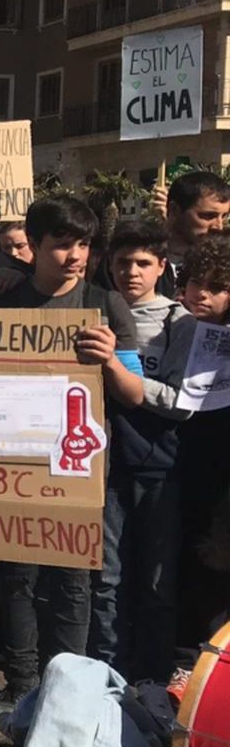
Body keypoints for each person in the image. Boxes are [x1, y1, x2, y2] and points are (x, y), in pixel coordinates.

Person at [0, 195, 145, 724]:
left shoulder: (106, 304)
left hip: (80, 469)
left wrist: (110, 362)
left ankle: (65, 687)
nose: (75, 256)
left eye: (83, 245)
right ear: (34, 247)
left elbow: (135, 393)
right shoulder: (4, 300)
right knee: (19, 581)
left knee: (74, 586)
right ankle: (22, 683)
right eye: (62, 245)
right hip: (15, 466)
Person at [89, 221, 194, 684]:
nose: (131, 272)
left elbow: (181, 402)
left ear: (161, 267)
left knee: (155, 582)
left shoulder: (181, 323)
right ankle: (108, 669)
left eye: (143, 263)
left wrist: (124, 377)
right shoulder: (92, 313)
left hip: (159, 467)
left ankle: (149, 678)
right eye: (122, 263)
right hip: (101, 464)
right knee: (106, 579)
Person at [168, 233, 230, 692]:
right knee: (194, 567)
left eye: (217, 286)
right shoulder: (177, 329)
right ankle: (187, 664)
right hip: (186, 469)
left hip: (223, 480)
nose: (202, 294)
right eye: (195, 282)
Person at [157, 171, 230, 297]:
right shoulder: (138, 256)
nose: (218, 226)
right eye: (208, 216)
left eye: (223, 216)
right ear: (174, 210)